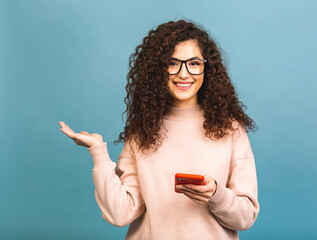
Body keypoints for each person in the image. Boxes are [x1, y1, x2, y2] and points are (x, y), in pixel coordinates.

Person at [59, 19, 259, 240]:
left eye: (194, 63)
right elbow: (119, 214)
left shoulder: (230, 129)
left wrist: (216, 194)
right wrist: (98, 152)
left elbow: (246, 217)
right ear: (157, 70)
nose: (184, 74)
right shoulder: (143, 130)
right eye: (172, 63)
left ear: (207, 68)